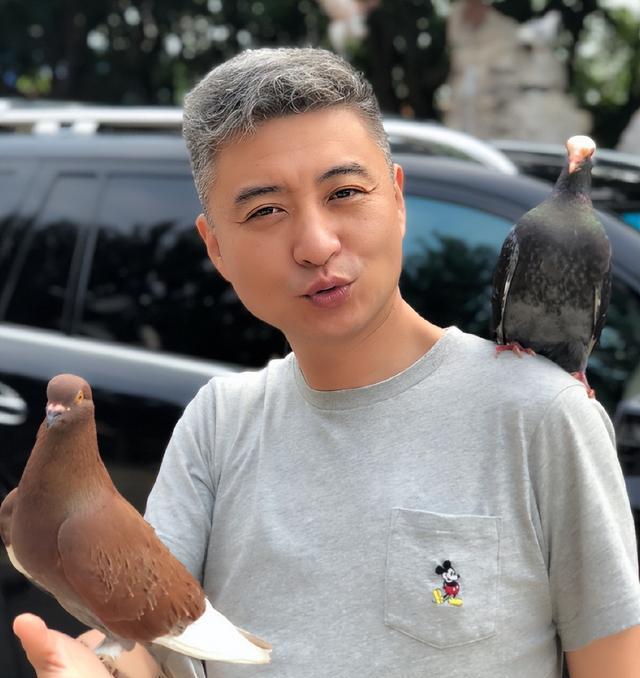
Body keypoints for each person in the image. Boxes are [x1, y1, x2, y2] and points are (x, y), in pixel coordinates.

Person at [14, 47, 640, 678]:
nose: (316, 244)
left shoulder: (541, 416)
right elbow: (149, 637)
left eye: (344, 192)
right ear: (216, 247)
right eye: (265, 210)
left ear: (397, 199)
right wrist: (95, 669)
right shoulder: (217, 425)